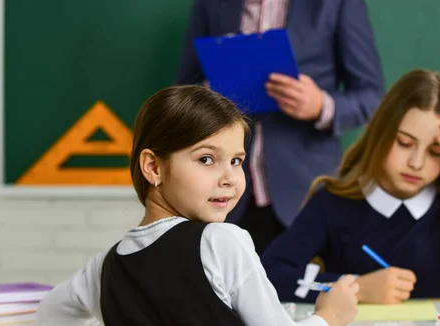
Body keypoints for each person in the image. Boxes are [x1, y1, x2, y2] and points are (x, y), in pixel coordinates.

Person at [35, 85, 360, 326]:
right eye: (207, 159)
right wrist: (328, 316)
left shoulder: (104, 266)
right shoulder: (222, 242)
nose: (230, 178)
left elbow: (50, 314)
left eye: (236, 160)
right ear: (153, 167)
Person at [261, 69, 440, 304]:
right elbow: (271, 275)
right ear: (381, 134)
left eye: (435, 152)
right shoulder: (332, 204)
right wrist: (357, 287)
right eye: (404, 143)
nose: (416, 163)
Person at [176, 0, 385, 254]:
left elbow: (373, 98)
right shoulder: (211, 4)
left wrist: (321, 106)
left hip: (305, 195)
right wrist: (213, 90)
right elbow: (184, 92)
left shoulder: (337, 4)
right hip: (225, 194)